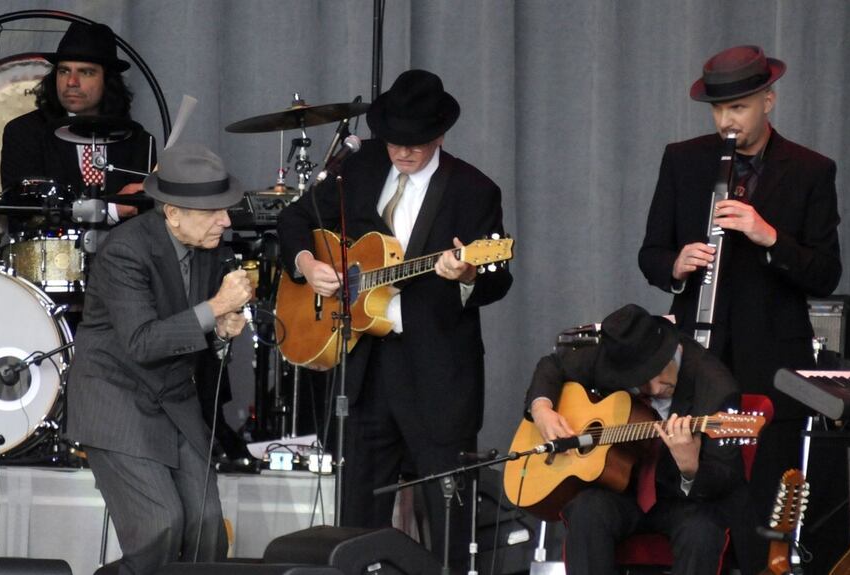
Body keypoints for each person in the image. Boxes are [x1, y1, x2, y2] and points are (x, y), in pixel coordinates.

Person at [277, 69, 513, 567]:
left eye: (416, 144)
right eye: (394, 142)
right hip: (364, 366)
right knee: (357, 515)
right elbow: (295, 218)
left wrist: (468, 271)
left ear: (440, 135)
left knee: (449, 515)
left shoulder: (474, 190)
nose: (403, 152)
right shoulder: (358, 172)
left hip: (437, 372)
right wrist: (307, 265)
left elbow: (499, 277)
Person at [637, 45, 842, 571]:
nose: (727, 122)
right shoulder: (684, 159)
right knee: (695, 498)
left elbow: (826, 273)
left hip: (769, 359)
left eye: (740, 108)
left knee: (760, 501)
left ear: (768, 100)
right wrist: (677, 263)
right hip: (697, 354)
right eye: (718, 110)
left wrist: (768, 235)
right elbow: (650, 254)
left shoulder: (811, 170)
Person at [66, 143, 252, 575]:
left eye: (224, 209)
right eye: (213, 212)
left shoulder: (213, 247)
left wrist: (222, 331)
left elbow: (201, 332)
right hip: (117, 396)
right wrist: (216, 307)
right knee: (159, 526)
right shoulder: (125, 250)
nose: (225, 221)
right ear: (172, 213)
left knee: (207, 525)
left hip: (173, 397)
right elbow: (143, 342)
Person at [525, 304, 744, 575]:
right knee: (586, 511)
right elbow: (553, 365)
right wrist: (542, 410)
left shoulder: (716, 387)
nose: (652, 389)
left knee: (701, 532)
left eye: (657, 372)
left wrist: (690, 469)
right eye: (638, 381)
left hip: (681, 499)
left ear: (668, 350)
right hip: (620, 490)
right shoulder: (610, 357)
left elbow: (728, 477)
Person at [0, 21, 154, 220]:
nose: (71, 82)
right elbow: (25, 212)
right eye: (64, 71)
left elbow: (143, 219)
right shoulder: (24, 132)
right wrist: (111, 211)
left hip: (121, 250)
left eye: (86, 72)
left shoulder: (138, 141)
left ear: (108, 81)